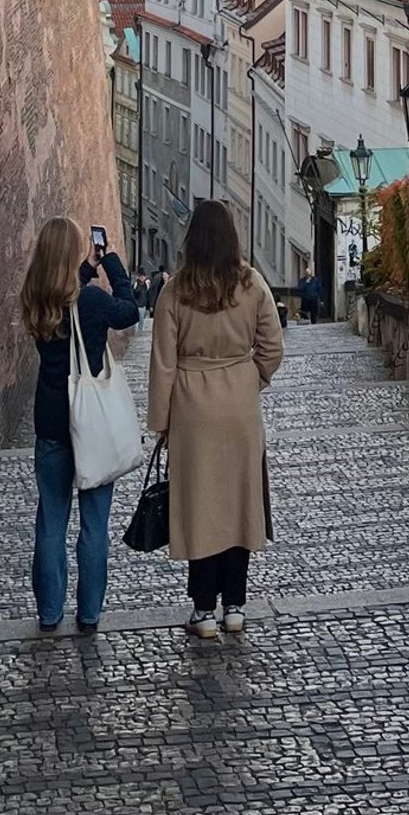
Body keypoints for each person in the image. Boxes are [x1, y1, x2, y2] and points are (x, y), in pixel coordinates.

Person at [147, 198, 285, 638]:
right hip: (240, 407)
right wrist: (251, 379)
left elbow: (163, 362)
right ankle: (236, 606)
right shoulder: (253, 284)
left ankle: (203, 608)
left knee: (199, 504)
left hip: (192, 405)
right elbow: (273, 348)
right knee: (240, 504)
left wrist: (162, 421)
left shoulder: (175, 291)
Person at [20, 215, 139, 634]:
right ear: (71, 254)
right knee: (94, 524)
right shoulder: (90, 304)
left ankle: (49, 613)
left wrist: (86, 268)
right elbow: (128, 312)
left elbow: (65, 292)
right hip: (89, 423)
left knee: (51, 521)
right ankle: (88, 615)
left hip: (51, 422)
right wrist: (112, 267)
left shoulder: (35, 297)